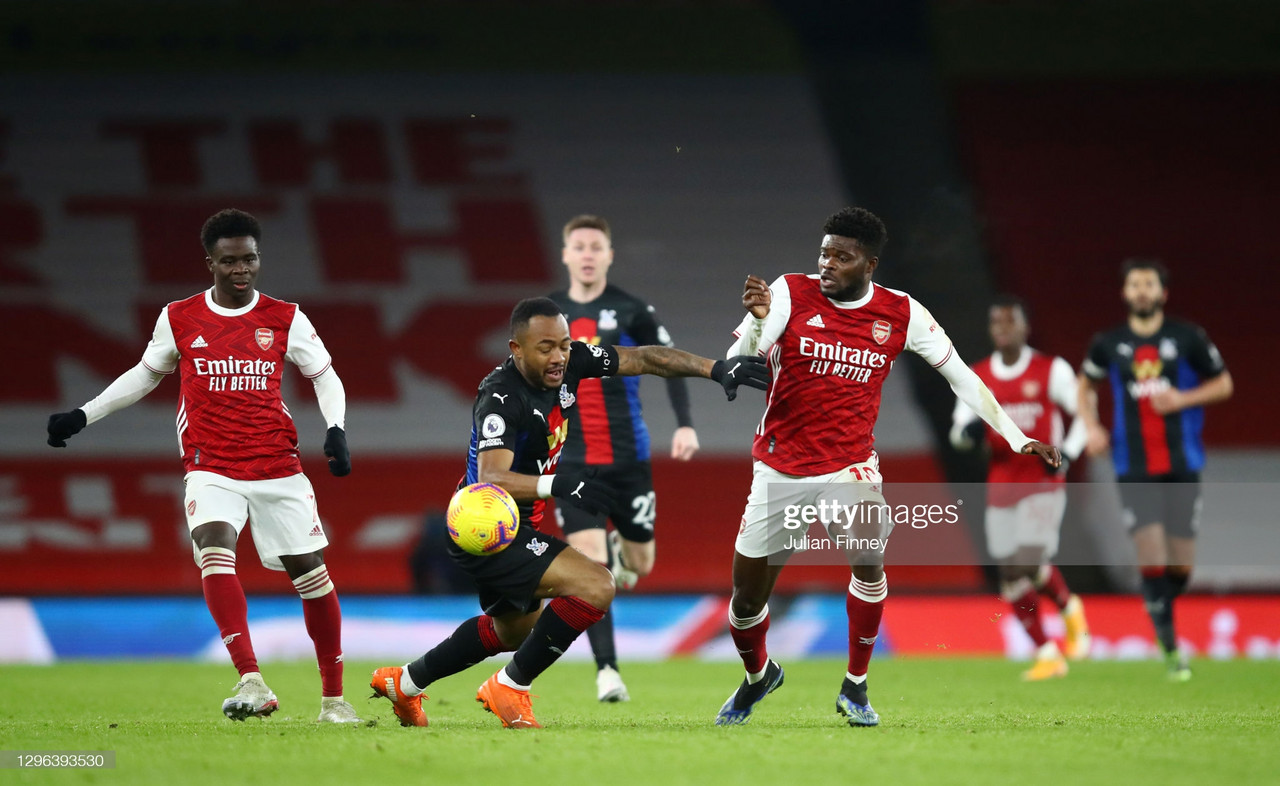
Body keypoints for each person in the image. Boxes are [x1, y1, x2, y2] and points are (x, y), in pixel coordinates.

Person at [718, 206, 1060, 727]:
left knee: (869, 553)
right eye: (824, 253)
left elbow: (962, 377)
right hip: (780, 469)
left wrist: (1016, 438)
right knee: (745, 602)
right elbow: (741, 362)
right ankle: (759, 675)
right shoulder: (788, 292)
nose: (827, 264)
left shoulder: (902, 313)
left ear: (870, 264)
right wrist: (760, 321)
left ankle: (855, 686)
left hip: (849, 467)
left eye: (842, 257)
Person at [369, 297, 767, 729]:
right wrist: (560, 484)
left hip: (521, 521)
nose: (559, 356)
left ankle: (404, 683)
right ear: (515, 349)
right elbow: (492, 477)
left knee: (514, 631)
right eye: (545, 348)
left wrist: (715, 368)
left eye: (564, 343)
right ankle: (510, 687)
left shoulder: (571, 361)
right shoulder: (500, 396)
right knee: (596, 585)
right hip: (487, 526)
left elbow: (644, 357)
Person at [45, 209, 359, 723]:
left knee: (312, 574)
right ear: (210, 262)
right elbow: (144, 376)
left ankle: (333, 701)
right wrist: (84, 414)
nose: (242, 269)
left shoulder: (285, 317)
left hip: (277, 465)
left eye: (250, 259)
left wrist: (336, 428)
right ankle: (251, 679)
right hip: (210, 464)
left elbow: (325, 375)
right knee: (213, 548)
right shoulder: (180, 317)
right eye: (230, 260)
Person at [548, 214, 700, 703]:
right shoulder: (550, 316)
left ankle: (621, 554)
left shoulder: (632, 309)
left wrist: (684, 424)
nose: (588, 254)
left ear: (609, 255)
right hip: (572, 463)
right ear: (566, 254)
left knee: (640, 562)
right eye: (580, 246)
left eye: (597, 246)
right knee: (591, 566)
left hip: (630, 460)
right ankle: (607, 671)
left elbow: (669, 364)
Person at [1077, 258, 1232, 681]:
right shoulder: (1108, 343)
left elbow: (1224, 383)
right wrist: (1091, 426)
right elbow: (1085, 384)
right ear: (1125, 293)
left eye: (1149, 284)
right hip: (1133, 465)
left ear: (1163, 293)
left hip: (1183, 463)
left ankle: (1163, 604)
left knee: (1181, 566)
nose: (1142, 291)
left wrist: (1181, 400)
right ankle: (1171, 649)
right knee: (1151, 551)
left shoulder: (1187, 337)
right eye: (1134, 284)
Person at [950, 295, 1091, 681]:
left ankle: (1067, 608)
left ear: (1026, 327)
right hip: (1000, 484)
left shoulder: (1051, 370)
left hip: (1042, 482)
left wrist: (1071, 452)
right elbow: (958, 433)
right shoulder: (978, 376)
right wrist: (969, 433)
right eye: (997, 323)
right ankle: (1048, 651)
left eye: (1010, 322)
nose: (1003, 329)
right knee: (1010, 574)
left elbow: (1084, 412)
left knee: (1026, 561)